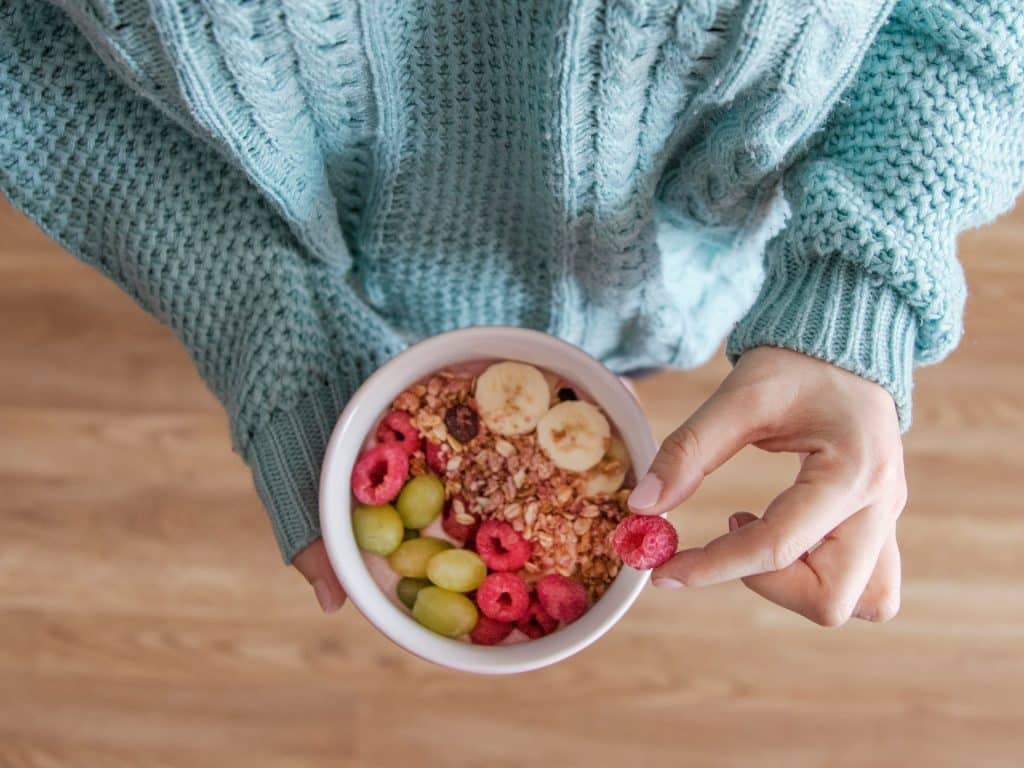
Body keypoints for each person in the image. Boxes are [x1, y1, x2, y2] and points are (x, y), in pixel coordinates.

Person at [2, 1, 1021, 627]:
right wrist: (264, 313)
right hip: (311, 255)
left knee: (645, 351)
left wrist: (859, 279)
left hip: (687, 279)